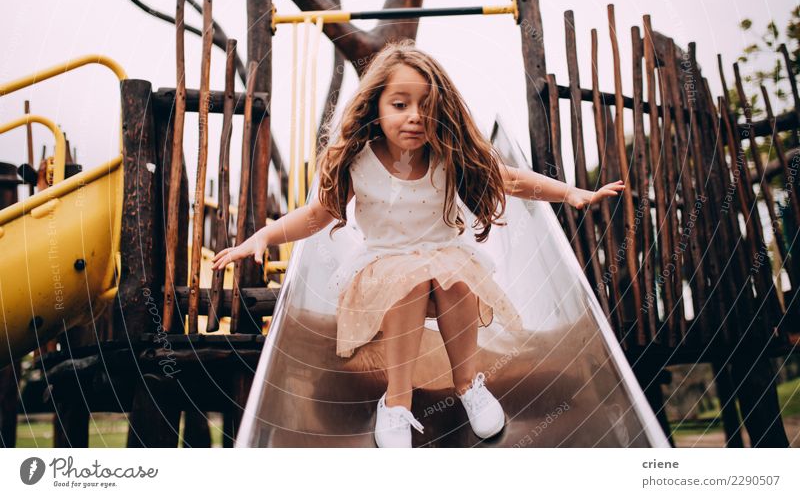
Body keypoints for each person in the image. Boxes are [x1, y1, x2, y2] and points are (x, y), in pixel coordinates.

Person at [212, 39, 624, 448]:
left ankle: (467, 386)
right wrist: (264, 235)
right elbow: (318, 215)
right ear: (375, 105)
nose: (415, 117)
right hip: (384, 278)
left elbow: (510, 178)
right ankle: (396, 402)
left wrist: (569, 193)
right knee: (408, 278)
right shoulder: (358, 160)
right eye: (400, 104)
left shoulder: (450, 154)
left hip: (445, 269)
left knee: (454, 273)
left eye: (425, 105)